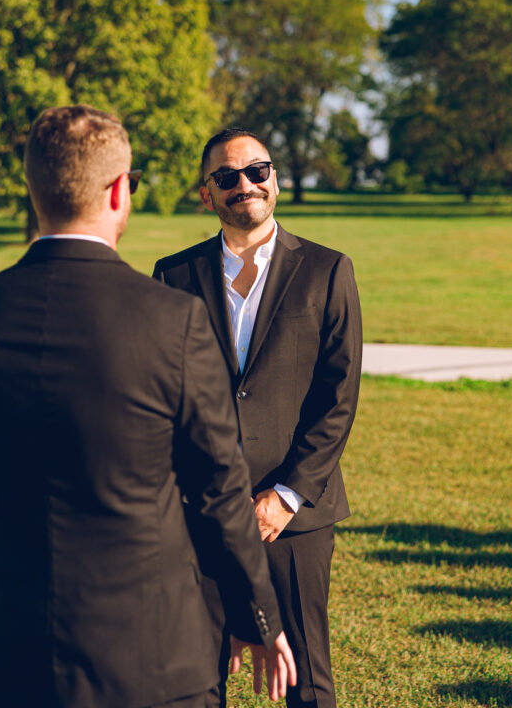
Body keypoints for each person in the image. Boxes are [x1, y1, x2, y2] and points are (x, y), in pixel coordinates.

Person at [0, 105, 295, 708]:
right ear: (117, 193)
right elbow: (217, 490)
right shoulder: (172, 319)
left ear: (35, 189)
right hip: (151, 655)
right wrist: (258, 616)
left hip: (12, 650)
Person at [153, 127, 363, 708]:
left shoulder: (327, 269)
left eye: (257, 171)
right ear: (206, 193)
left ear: (275, 179)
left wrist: (286, 495)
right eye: (227, 176)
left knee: (307, 683)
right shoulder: (172, 276)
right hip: (200, 512)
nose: (245, 184)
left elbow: (338, 396)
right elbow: (163, 396)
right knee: (193, 680)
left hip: (294, 517)